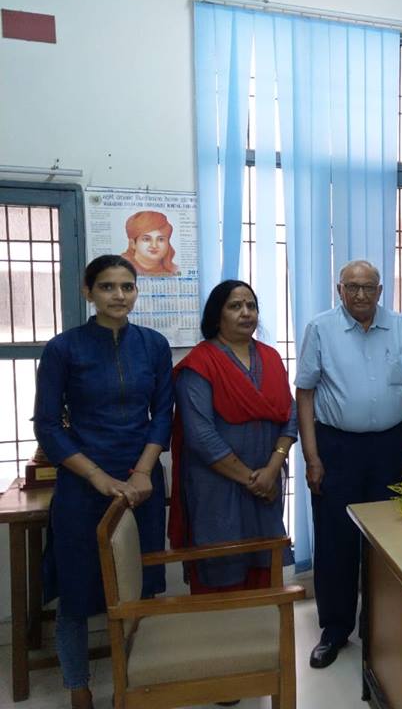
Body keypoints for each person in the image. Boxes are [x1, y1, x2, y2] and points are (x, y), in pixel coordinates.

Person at [33, 255, 172, 709]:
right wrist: (97, 477)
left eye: (127, 286)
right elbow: (48, 426)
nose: (119, 295)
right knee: (75, 591)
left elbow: (162, 415)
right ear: (88, 292)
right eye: (108, 286)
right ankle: (79, 687)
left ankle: (132, 681)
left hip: (141, 484)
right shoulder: (63, 349)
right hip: (83, 485)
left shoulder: (153, 345)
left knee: (140, 587)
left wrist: (142, 472)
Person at [295, 260, 402, 670]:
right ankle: (335, 629)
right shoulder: (321, 328)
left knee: (387, 541)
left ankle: (378, 623)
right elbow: (305, 394)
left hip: (389, 446)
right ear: (340, 290)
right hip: (337, 447)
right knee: (335, 540)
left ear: (380, 291)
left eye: (368, 287)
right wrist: (312, 457)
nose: (361, 295)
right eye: (352, 287)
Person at [169, 280, 296, 594]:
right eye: (235, 306)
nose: (246, 312)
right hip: (217, 486)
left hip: (266, 483)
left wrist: (271, 470)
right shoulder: (200, 364)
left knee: (264, 569)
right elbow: (201, 436)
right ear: (217, 315)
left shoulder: (271, 358)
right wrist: (253, 480)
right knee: (221, 569)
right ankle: (221, 627)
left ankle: (264, 627)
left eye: (251, 306)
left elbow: (290, 415)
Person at [121, 210, 180, 276]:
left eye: (161, 239)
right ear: (133, 244)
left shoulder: (173, 270)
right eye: (146, 239)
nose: (154, 246)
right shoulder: (120, 268)